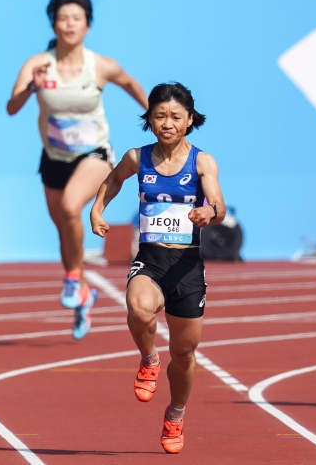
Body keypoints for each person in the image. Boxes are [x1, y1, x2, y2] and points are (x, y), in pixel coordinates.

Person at [90, 82, 226, 453]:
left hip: (186, 267)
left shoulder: (202, 162)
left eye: (175, 117)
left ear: (189, 121)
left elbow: (219, 205)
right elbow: (114, 179)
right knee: (137, 307)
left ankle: (176, 414)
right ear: (149, 119)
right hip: (150, 259)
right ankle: (149, 359)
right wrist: (97, 208)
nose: (166, 123)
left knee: (183, 355)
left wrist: (208, 212)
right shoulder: (139, 157)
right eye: (159, 116)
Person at [6, 0, 148, 340]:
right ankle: (83, 292)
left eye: (76, 18)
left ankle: (72, 279)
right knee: (65, 229)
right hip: (54, 159)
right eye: (63, 18)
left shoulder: (99, 65)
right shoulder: (37, 64)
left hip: (95, 154)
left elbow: (130, 83)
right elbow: (12, 107)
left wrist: (156, 119)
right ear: (54, 24)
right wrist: (31, 88)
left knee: (72, 207)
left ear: (87, 25)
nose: (69, 24)